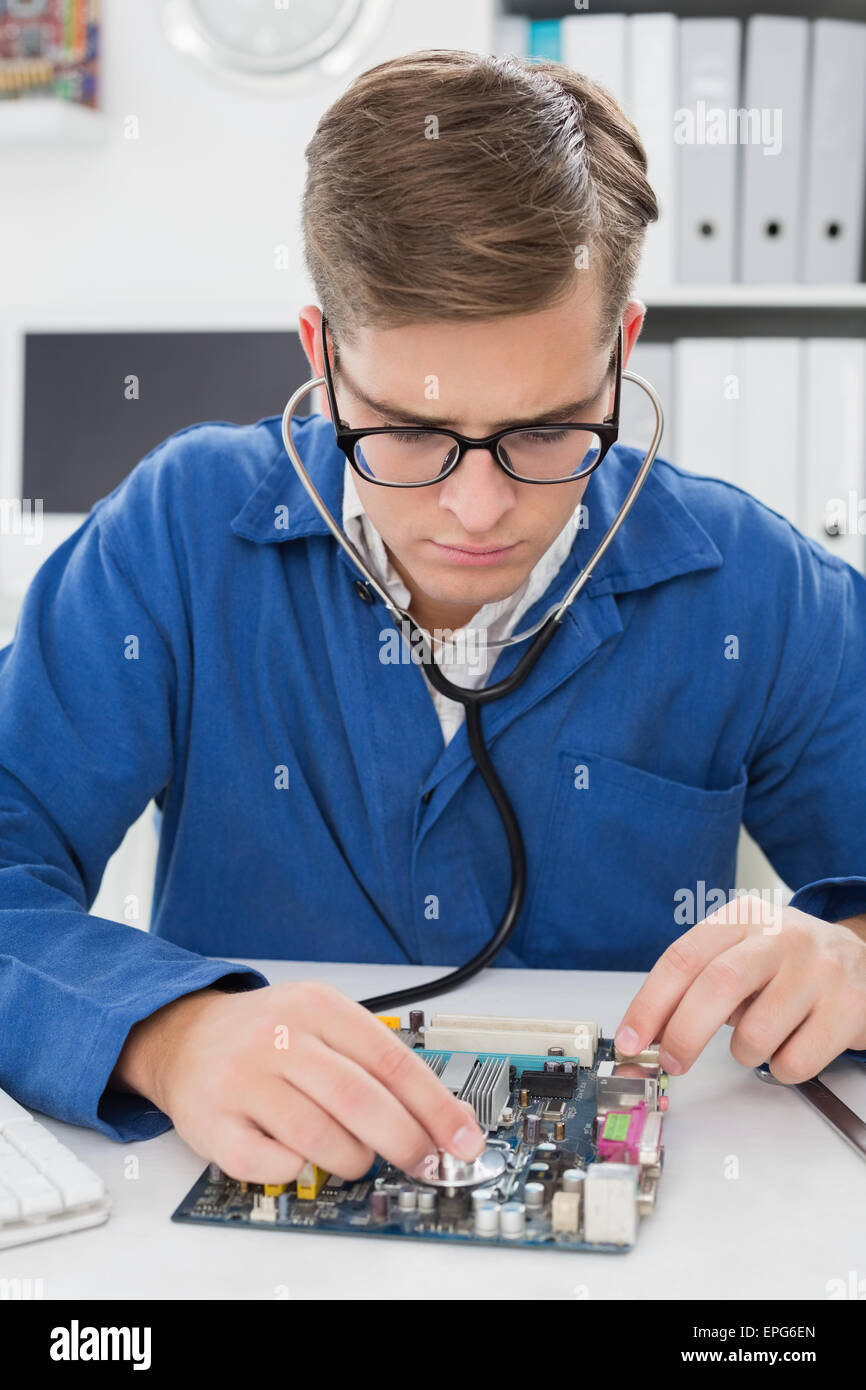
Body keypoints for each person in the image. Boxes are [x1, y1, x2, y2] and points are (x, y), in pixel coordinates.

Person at [1, 50, 864, 1188]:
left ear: (620, 356)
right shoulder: (176, 533)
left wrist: (849, 958)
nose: (478, 506)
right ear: (321, 357)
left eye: (546, 428)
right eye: (409, 434)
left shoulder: (756, 587)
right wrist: (164, 1034)